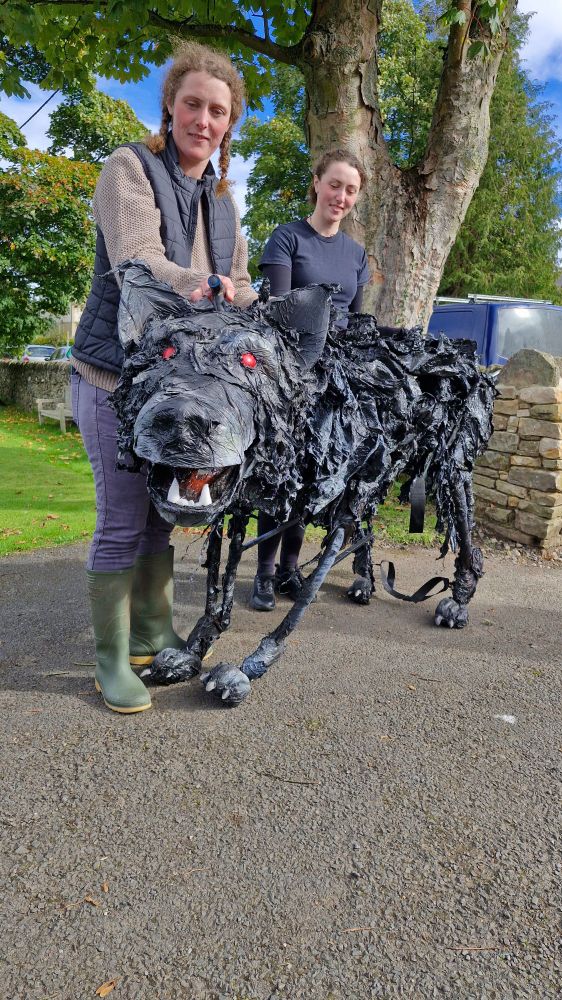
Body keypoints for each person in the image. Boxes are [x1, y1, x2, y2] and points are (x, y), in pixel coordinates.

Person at [71, 42, 256, 713]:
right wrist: (207, 286)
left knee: (158, 517)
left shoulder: (224, 203)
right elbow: (139, 263)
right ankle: (110, 661)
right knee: (122, 520)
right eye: (193, 104)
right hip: (113, 380)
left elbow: (236, 282)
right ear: (170, 107)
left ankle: (152, 634)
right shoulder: (129, 169)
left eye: (217, 110)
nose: (203, 119)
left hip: (180, 389)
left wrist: (248, 299)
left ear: (228, 124)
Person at [250, 149, 369, 612]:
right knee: (281, 473)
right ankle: (262, 572)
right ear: (317, 182)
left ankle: (289, 569)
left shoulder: (356, 254)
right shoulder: (287, 238)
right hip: (291, 370)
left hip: (334, 380)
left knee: (311, 475)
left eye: (351, 190)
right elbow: (280, 308)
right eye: (334, 184)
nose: (341, 196)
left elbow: (357, 322)